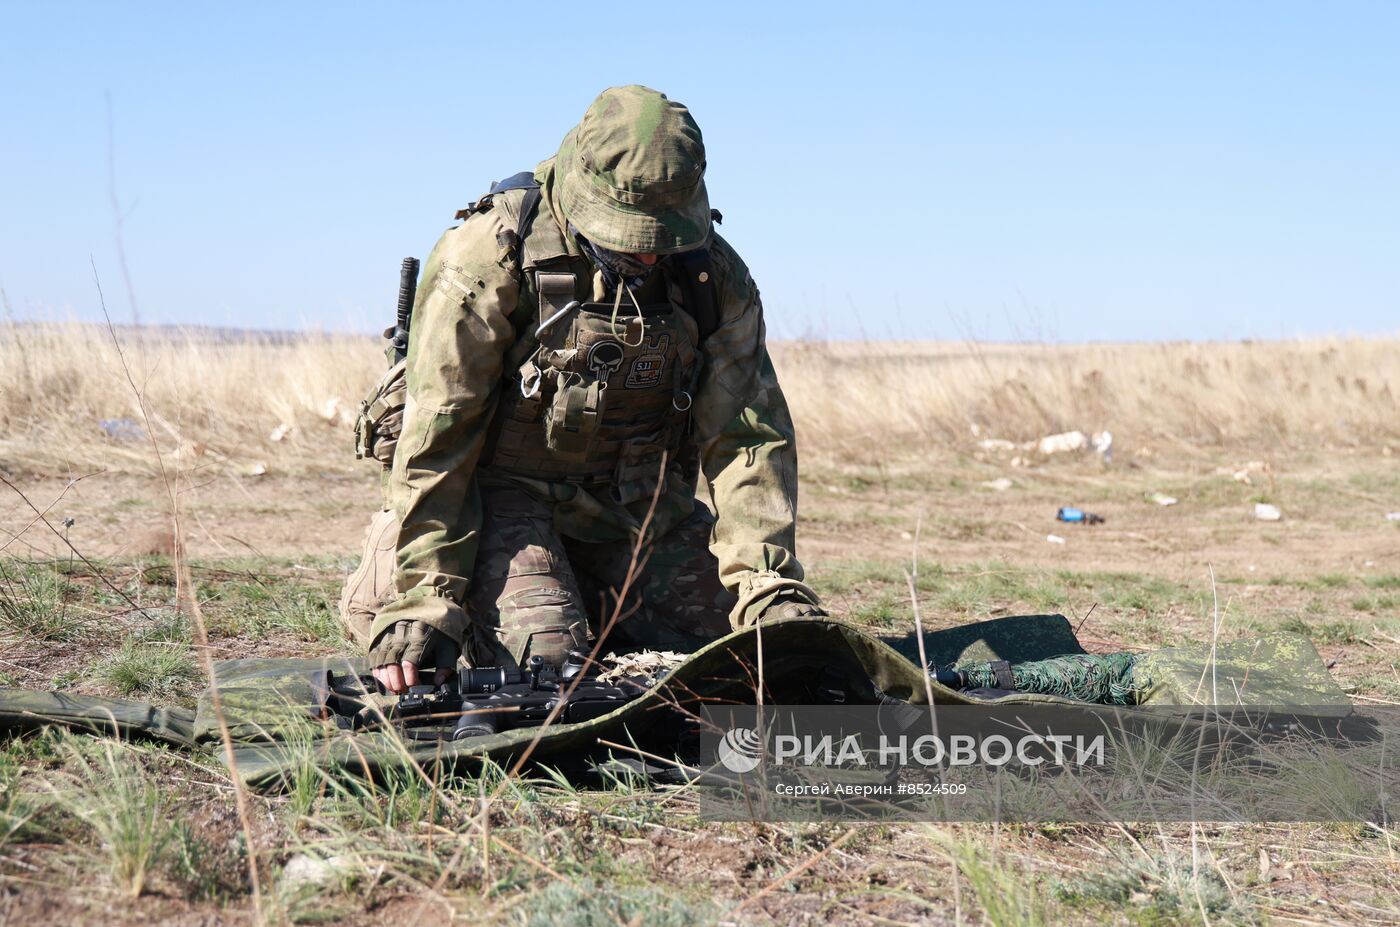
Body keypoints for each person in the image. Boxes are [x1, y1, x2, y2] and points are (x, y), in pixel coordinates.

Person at [341, 85, 824, 695]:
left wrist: (766, 589)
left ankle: (593, 599)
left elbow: (748, 437)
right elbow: (441, 436)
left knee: (752, 659)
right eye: (632, 236)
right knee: (551, 681)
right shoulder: (490, 258)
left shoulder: (710, 276)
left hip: (639, 512)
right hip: (502, 505)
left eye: (663, 235)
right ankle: (429, 584)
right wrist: (424, 601)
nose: (649, 257)